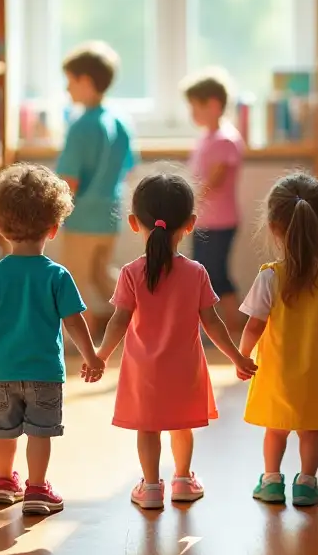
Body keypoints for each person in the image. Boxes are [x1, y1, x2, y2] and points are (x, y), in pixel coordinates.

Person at [94, 172, 257, 510]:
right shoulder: (196, 272)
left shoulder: (130, 273)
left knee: (148, 428)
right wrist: (237, 357)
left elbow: (118, 321)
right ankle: (183, 479)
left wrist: (100, 355)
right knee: (181, 426)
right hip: (185, 370)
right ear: (191, 223)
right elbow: (213, 324)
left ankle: (151, 487)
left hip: (144, 371)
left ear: (134, 223)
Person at [0, 163, 104, 516]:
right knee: (39, 433)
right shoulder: (57, 276)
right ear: (54, 227)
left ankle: (2, 481)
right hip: (44, 372)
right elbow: (74, 322)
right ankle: (37, 488)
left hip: (0, 372)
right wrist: (91, 357)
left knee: (3, 431)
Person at [237, 173, 318, 507]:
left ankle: (272, 482)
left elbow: (254, 326)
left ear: (274, 227)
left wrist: (243, 356)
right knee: (310, 430)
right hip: (316, 372)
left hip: (276, 372)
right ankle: (307, 484)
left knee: (276, 429)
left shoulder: (270, 276)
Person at [56, 41, 135, 342]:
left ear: (85, 82)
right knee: (103, 275)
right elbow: (128, 167)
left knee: (73, 282)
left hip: (82, 219)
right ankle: (141, 319)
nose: (67, 89)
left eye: (70, 81)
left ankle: (82, 342)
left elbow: (68, 180)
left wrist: (54, 212)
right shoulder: (120, 122)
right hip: (109, 215)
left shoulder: (81, 126)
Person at [183, 69, 244, 337]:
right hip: (205, 220)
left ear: (214, 105)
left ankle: (234, 326)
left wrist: (188, 198)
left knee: (216, 275)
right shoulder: (207, 138)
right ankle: (208, 329)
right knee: (202, 274)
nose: (192, 113)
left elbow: (213, 181)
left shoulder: (225, 140)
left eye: (195, 106)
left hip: (220, 222)